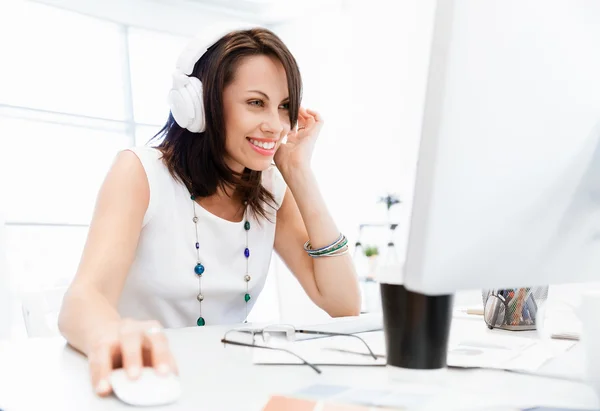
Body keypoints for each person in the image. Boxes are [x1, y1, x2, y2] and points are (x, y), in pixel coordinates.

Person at [57, 27, 361, 397]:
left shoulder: (271, 184)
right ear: (201, 104)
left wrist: (299, 172)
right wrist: (112, 336)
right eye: (255, 102)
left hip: (226, 383)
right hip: (149, 380)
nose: (276, 125)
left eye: (284, 106)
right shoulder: (140, 172)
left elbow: (343, 303)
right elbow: (82, 299)